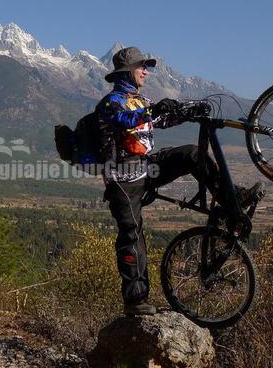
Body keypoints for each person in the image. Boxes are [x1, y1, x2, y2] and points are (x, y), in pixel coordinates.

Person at [97, 46, 263, 316]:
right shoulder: (111, 103)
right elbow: (124, 120)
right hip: (122, 180)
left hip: (147, 168)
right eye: (142, 67)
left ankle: (231, 199)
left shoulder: (140, 100)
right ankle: (135, 301)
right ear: (127, 71)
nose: (146, 72)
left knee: (191, 154)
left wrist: (187, 111)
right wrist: (151, 112)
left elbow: (160, 119)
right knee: (131, 235)